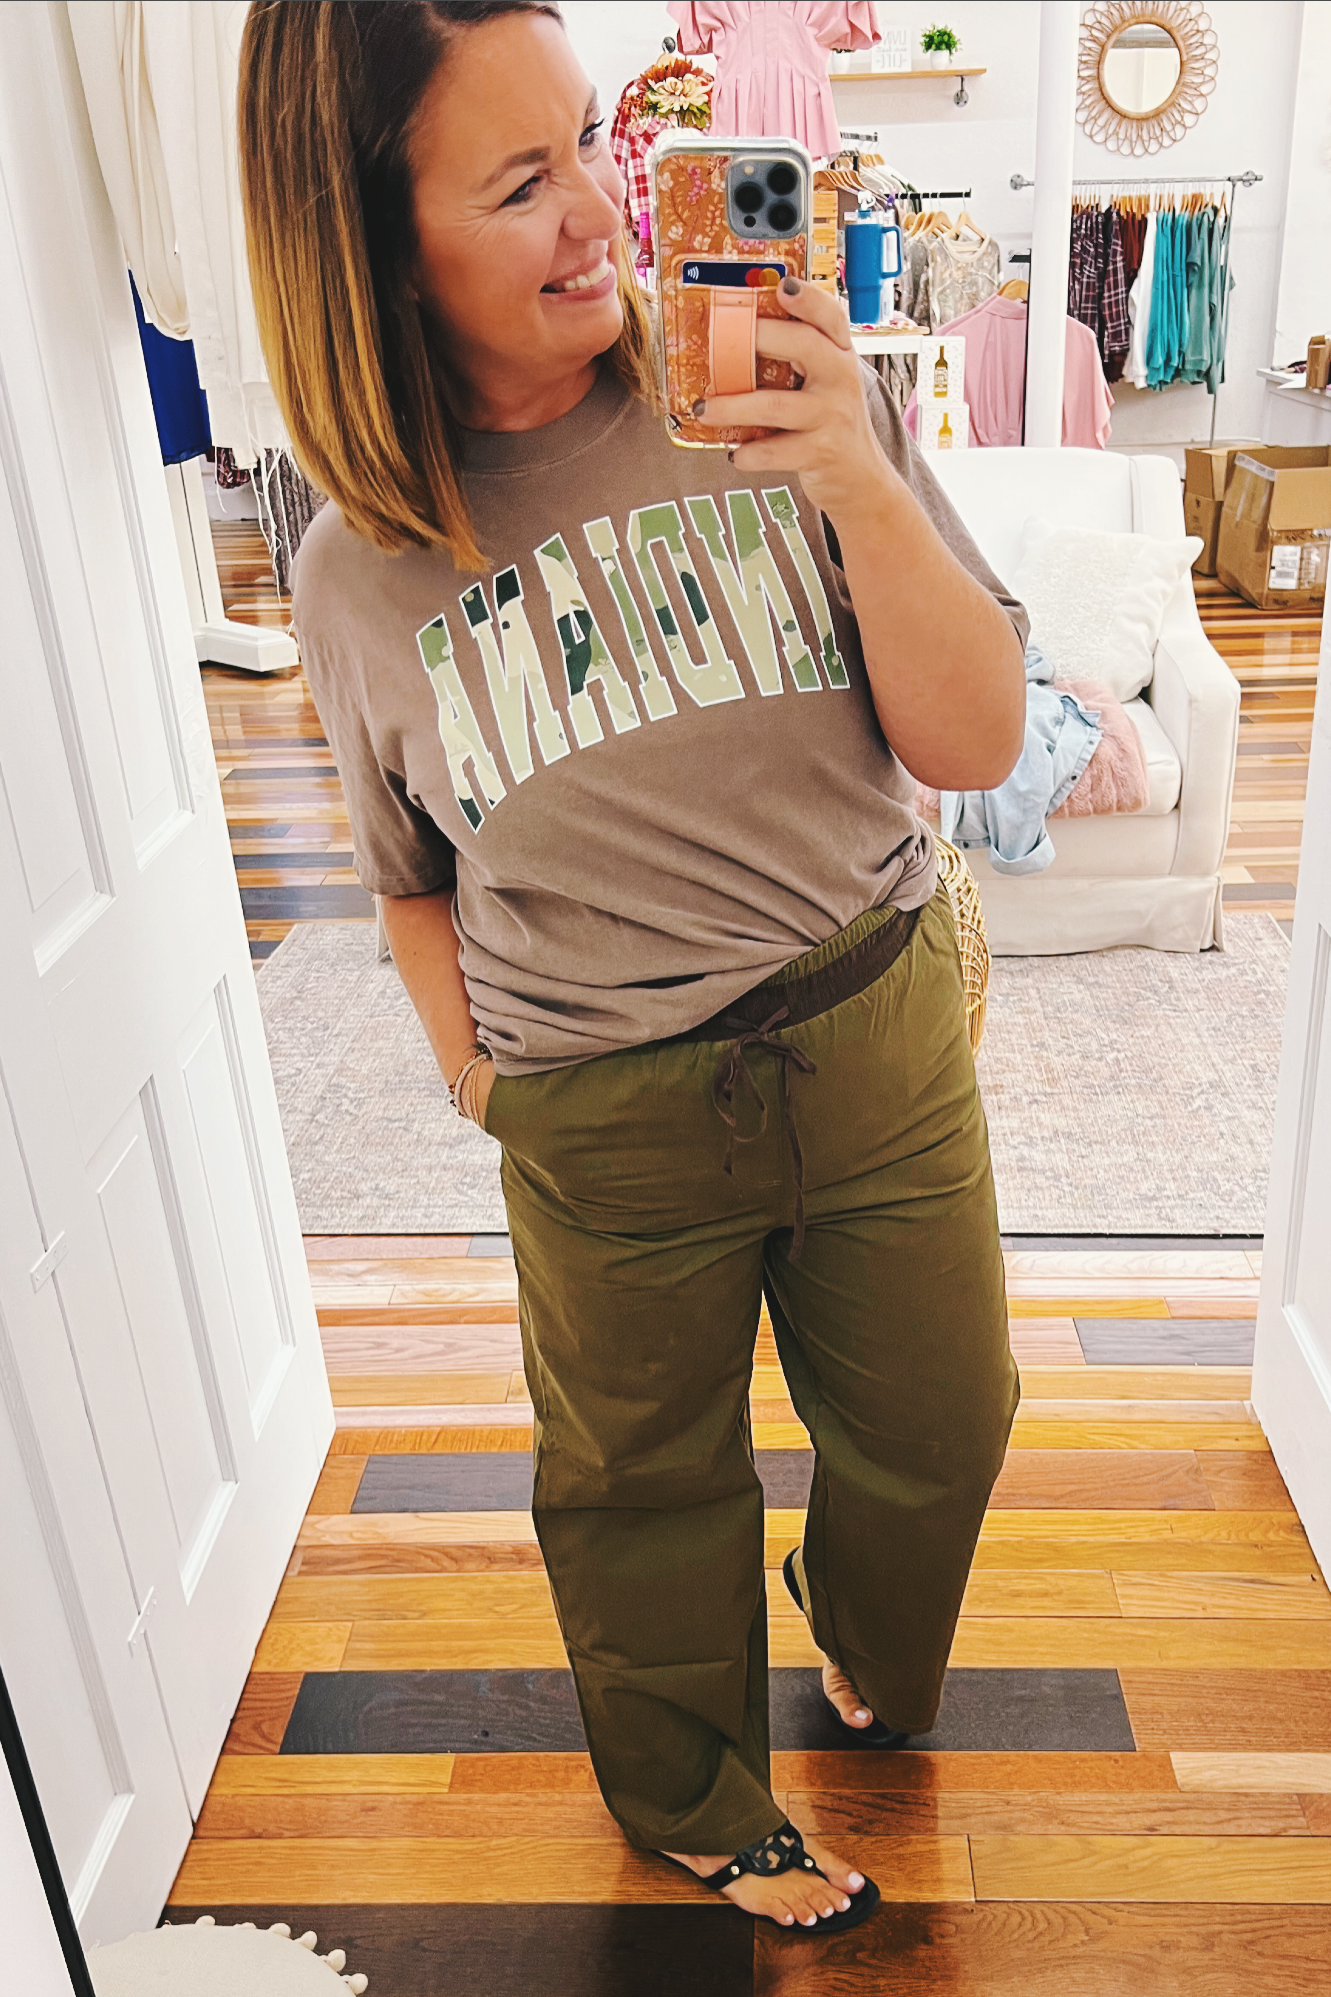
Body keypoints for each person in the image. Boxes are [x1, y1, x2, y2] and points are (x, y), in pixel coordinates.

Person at [239, 0, 1026, 1940]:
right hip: (601, 1111)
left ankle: (852, 1624)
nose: (603, 209)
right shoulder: (359, 568)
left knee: (944, 1415)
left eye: (593, 140)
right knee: (636, 1482)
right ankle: (689, 1793)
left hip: (871, 1023)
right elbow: (406, 870)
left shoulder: (777, 399)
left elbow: (980, 736)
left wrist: (850, 469)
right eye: (521, 182)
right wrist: (471, 1074)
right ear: (367, 245)